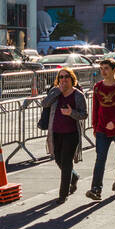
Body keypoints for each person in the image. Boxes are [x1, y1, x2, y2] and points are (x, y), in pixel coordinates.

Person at [41, 66, 88, 203]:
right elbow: (44, 104)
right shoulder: (55, 92)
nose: (63, 79)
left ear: (72, 79)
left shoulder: (78, 95)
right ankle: (73, 177)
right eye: (61, 77)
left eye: (66, 76)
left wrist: (71, 113)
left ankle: (63, 194)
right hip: (55, 133)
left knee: (66, 163)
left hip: (71, 133)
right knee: (58, 159)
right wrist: (56, 93)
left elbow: (84, 114)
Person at [86, 56, 115, 201]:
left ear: (114, 69)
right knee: (100, 159)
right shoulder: (98, 87)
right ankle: (96, 189)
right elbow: (95, 107)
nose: (103, 71)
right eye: (101, 69)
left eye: (106, 68)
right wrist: (95, 125)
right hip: (102, 129)